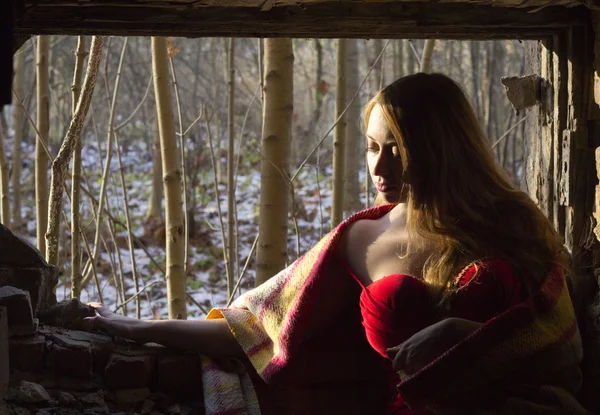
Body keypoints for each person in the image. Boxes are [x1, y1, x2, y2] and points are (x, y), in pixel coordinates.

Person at [86, 73, 587, 414]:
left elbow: (559, 337)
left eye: (398, 149)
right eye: (372, 147)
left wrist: (461, 331)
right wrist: (134, 324)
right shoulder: (359, 239)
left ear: (443, 148)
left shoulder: (514, 222)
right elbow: (255, 328)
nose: (378, 167)